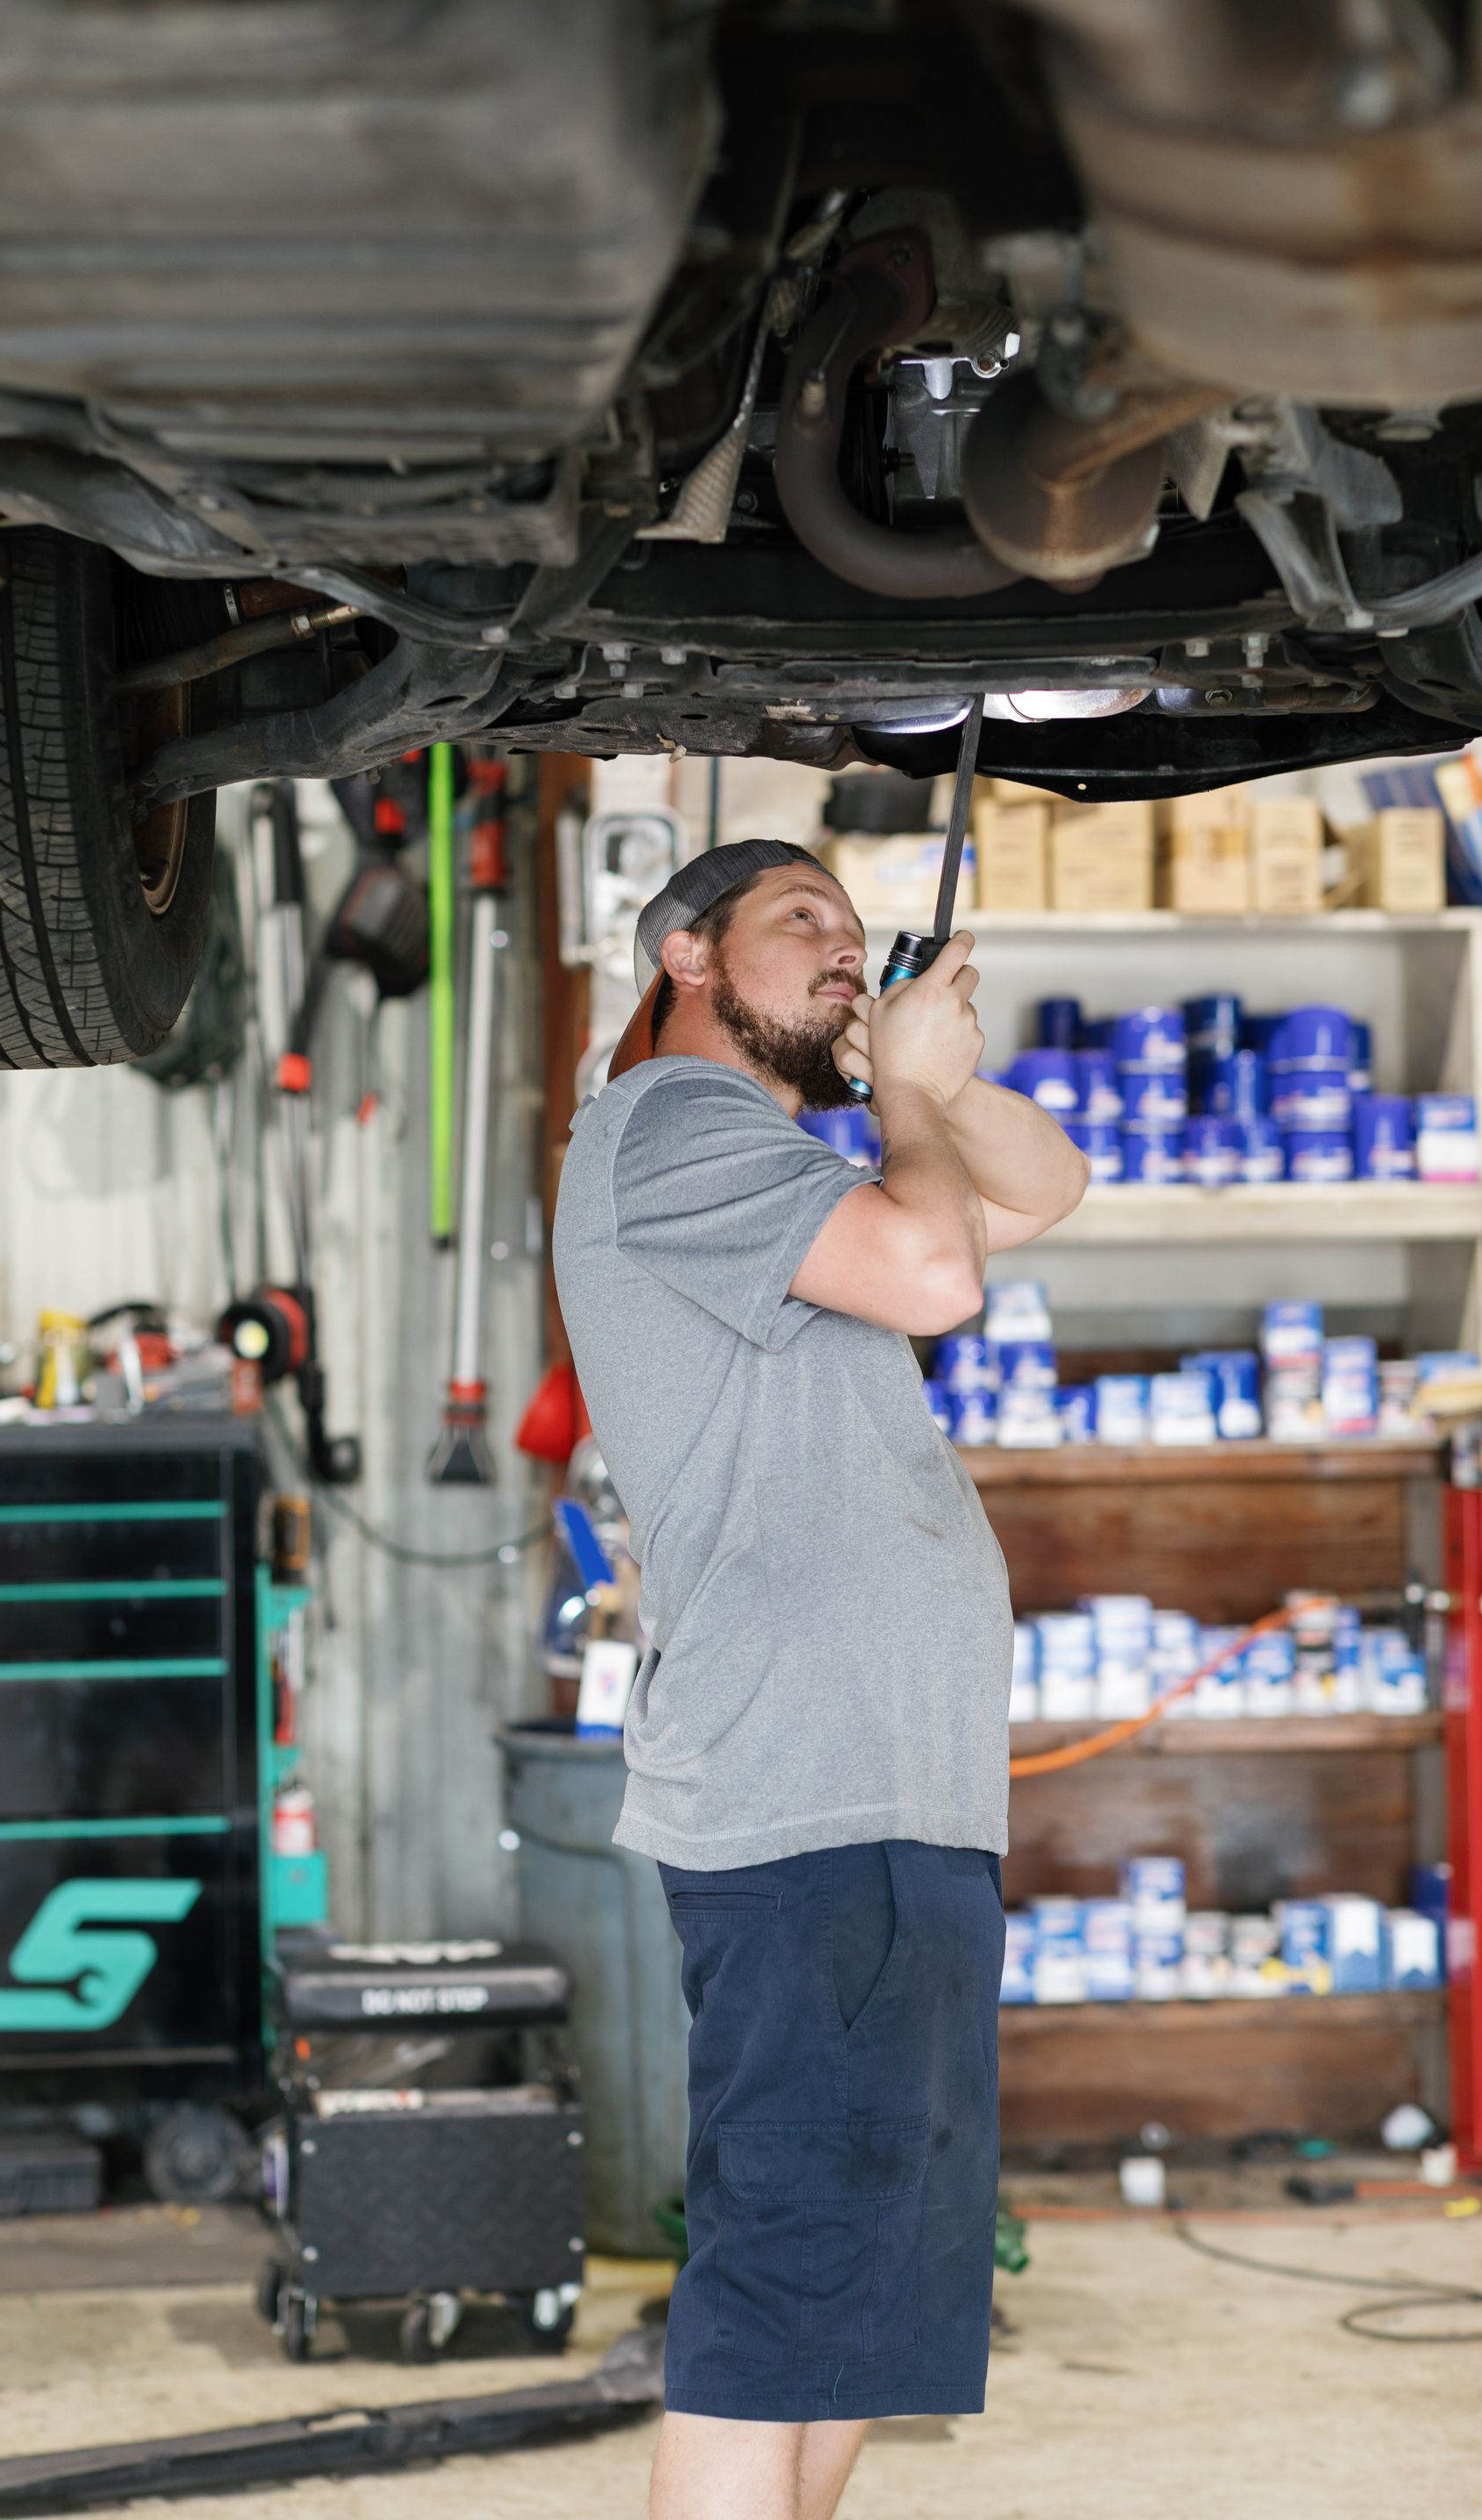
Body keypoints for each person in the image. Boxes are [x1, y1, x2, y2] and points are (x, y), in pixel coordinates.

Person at [551, 836, 1087, 2520]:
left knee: (864, 2292)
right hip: (805, 1798)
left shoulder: (788, 1157)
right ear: (690, 957)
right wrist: (904, 1101)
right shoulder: (672, 1124)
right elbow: (942, 1271)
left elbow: (1043, 1186)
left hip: (889, 1789)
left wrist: (920, 1071)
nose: (843, 948)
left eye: (859, 933)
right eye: (803, 924)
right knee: (787, 2280)